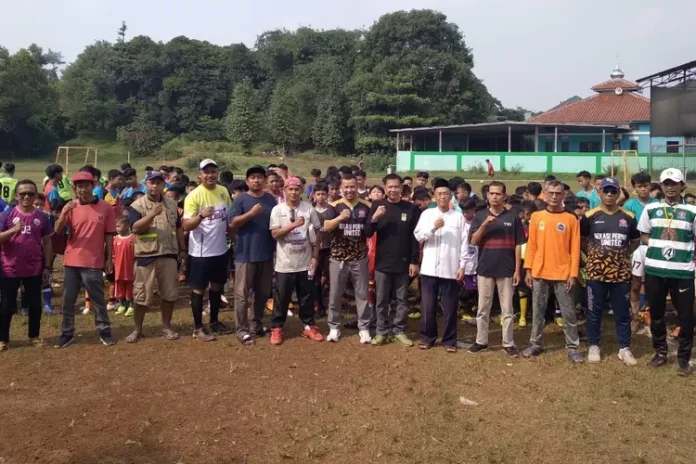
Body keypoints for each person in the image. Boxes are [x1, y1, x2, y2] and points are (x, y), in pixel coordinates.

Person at [637, 168, 696, 376]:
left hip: (682, 273)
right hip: (655, 270)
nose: (670, 187)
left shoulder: (692, 210)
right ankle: (660, 352)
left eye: (674, 183)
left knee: (686, 317)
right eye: (666, 183)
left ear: (682, 186)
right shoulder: (651, 208)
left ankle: (683, 359)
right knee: (657, 314)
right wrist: (657, 244)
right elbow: (644, 235)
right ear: (661, 186)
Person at [522, 180, 583, 363]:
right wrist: (528, 270)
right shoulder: (537, 217)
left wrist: (573, 274)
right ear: (545, 194)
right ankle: (536, 344)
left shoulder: (571, 218)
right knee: (538, 310)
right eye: (551, 193)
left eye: (558, 193)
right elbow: (532, 246)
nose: (554, 197)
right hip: (540, 272)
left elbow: (575, 248)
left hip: (563, 273)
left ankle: (572, 347)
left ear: (563, 195)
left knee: (568, 312)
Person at [581, 177, 640, 365]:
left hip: (620, 274)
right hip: (595, 273)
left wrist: (621, 255)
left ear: (618, 193)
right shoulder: (589, 216)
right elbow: (582, 241)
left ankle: (624, 348)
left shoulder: (628, 217)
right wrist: (595, 255)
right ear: (599, 192)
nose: (609, 194)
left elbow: (635, 241)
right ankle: (594, 345)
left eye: (613, 191)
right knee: (594, 311)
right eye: (605, 191)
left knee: (622, 312)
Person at [54, 171, 116, 348]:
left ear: (93, 186)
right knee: (68, 300)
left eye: (86, 186)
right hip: (71, 260)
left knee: (98, 300)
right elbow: (57, 230)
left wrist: (109, 259)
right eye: (79, 186)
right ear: (75, 189)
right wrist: (64, 213)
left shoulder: (106, 208)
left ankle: (104, 331)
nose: (83, 190)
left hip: (93, 261)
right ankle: (67, 333)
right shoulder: (71, 207)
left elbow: (109, 235)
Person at [468, 181, 526, 358]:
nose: (494, 196)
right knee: (483, 308)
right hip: (485, 268)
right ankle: (481, 341)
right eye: (491, 193)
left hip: (506, 269)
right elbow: (473, 241)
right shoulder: (480, 216)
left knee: (507, 309)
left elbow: (518, 244)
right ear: (487, 195)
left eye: (498, 194)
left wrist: (517, 270)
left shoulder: (513, 217)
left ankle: (508, 343)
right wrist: (484, 225)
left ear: (504, 196)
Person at [126, 171, 185, 343]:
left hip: (169, 254)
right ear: (146, 184)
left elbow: (178, 228)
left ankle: (166, 327)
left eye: (158, 183)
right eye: (151, 183)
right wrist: (151, 215)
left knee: (169, 294)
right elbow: (135, 228)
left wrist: (183, 249)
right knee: (142, 295)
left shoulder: (172, 204)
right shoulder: (137, 205)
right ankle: (137, 329)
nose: (155, 186)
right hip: (146, 255)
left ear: (163, 185)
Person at [365, 174, 420, 347]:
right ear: (385, 187)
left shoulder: (411, 208)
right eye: (390, 187)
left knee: (402, 299)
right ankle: (381, 331)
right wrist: (375, 217)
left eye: (396, 186)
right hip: (382, 261)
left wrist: (414, 261)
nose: (393, 190)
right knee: (381, 299)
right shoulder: (377, 205)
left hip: (403, 262)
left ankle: (399, 330)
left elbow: (415, 237)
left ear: (401, 188)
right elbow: (367, 231)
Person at [183, 159, 234, 341]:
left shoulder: (223, 191)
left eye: (213, 171)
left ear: (217, 173)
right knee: (199, 289)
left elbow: (228, 220)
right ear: (200, 175)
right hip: (201, 252)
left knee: (217, 286)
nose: (210, 175)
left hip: (220, 249)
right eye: (206, 172)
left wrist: (234, 241)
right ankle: (198, 327)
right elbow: (186, 225)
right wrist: (201, 216)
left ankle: (214, 321)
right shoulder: (194, 196)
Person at [268, 177, 324, 345]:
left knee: (306, 297)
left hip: (304, 262)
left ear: (301, 191)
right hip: (284, 263)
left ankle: (308, 326)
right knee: (282, 297)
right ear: (284, 190)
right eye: (290, 189)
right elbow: (275, 234)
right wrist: (293, 225)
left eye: (296, 189)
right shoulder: (277, 210)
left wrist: (315, 256)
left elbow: (317, 233)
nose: (293, 192)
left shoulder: (309, 209)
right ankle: (277, 327)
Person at [413, 178, 467, 352]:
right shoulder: (427, 215)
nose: (443, 197)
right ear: (434, 196)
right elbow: (419, 236)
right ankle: (427, 337)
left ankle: (449, 340)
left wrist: (462, 266)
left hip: (451, 268)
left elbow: (464, 244)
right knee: (428, 305)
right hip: (429, 268)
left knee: (450, 307)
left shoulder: (458, 217)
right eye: (439, 194)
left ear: (451, 196)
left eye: (446, 194)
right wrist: (433, 228)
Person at [0, 180, 53, 351]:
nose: (27, 197)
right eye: (23, 194)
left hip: (34, 268)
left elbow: (47, 242)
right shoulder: (6, 215)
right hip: (10, 267)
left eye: (31, 193)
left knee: (35, 304)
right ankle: (3, 339)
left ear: (36, 195)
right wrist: (13, 230)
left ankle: (34, 336)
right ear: (17, 196)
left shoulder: (42, 217)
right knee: (7, 305)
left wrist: (47, 266)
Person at [229, 165, 277, 345]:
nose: (256, 180)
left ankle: (256, 323)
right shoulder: (240, 200)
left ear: (264, 180)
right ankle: (241, 329)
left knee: (262, 292)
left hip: (266, 253)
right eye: (253, 177)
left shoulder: (270, 199)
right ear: (247, 181)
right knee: (242, 294)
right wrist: (250, 214)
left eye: (259, 177)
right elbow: (233, 223)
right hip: (245, 254)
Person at [323, 173, 372, 343]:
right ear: (341, 188)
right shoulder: (334, 206)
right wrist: (339, 218)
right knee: (335, 294)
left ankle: (364, 328)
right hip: (338, 258)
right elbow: (326, 226)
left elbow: (369, 231)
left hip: (359, 258)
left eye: (352, 186)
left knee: (362, 294)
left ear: (357, 187)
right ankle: (334, 327)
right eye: (346, 187)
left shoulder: (366, 206)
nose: (349, 190)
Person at [623, 172, 657, 331]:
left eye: (646, 186)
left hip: (655, 248)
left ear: (651, 186)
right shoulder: (629, 206)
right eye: (639, 186)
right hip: (637, 249)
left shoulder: (658, 204)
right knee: (636, 284)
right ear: (634, 188)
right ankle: (635, 316)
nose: (643, 189)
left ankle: (650, 314)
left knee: (654, 284)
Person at [311, 182, 333, 318]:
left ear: (327, 194)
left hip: (330, 247)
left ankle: (329, 304)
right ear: (314, 195)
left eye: (323, 194)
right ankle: (318, 305)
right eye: (318, 194)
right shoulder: (310, 210)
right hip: (314, 249)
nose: (321, 197)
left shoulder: (332, 210)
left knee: (328, 276)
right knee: (315, 278)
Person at [111, 217, 135, 316]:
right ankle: (121, 305)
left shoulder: (133, 238)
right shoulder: (115, 239)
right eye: (116, 226)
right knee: (120, 286)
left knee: (130, 286)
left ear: (127, 226)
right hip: (118, 269)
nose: (117, 228)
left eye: (119, 226)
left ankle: (131, 306)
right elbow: (113, 254)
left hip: (129, 269)